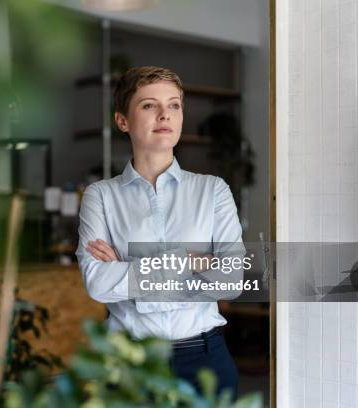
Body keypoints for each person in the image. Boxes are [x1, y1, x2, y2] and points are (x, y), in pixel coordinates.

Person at [75, 66, 243, 399]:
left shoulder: (213, 190)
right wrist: (191, 261)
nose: (165, 114)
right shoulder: (101, 196)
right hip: (130, 363)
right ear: (122, 121)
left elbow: (233, 279)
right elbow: (97, 283)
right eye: (149, 105)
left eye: (174, 105)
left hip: (205, 359)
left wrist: (126, 268)